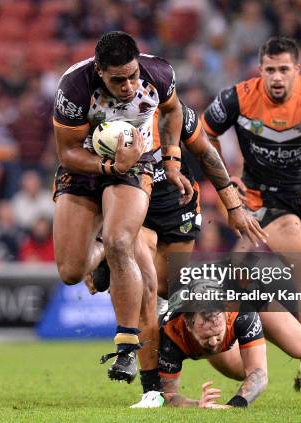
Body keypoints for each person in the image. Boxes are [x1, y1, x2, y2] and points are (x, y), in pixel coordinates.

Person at [201, 36, 301, 393]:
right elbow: (202, 136)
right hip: (264, 202)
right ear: (260, 70)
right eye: (270, 69)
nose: (276, 77)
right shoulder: (236, 98)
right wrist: (225, 181)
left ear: (296, 71)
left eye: (284, 69)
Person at [85, 103, 268, 408]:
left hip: (177, 210)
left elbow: (207, 154)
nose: (132, 89)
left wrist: (234, 207)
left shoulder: (173, 113)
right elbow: (84, 175)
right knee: (144, 284)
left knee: (171, 294)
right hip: (135, 212)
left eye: (138, 81)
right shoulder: (101, 123)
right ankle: (144, 376)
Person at [52, 31, 192, 383]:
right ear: (99, 71)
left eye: (132, 76)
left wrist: (172, 160)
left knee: (120, 240)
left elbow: (174, 112)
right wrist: (107, 167)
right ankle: (96, 252)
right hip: (85, 166)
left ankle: (127, 347)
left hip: (136, 163)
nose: (128, 86)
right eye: (117, 80)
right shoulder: (73, 88)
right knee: (70, 272)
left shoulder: (158, 73)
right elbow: (67, 152)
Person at [157, 280, 301, 409]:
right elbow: (167, 395)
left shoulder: (241, 309)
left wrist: (234, 405)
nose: (213, 342)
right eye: (206, 337)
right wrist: (197, 404)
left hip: (253, 300)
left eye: (217, 334)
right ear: (187, 324)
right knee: (241, 372)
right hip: (225, 318)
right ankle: (249, 337)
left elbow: (259, 374)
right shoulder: (170, 333)